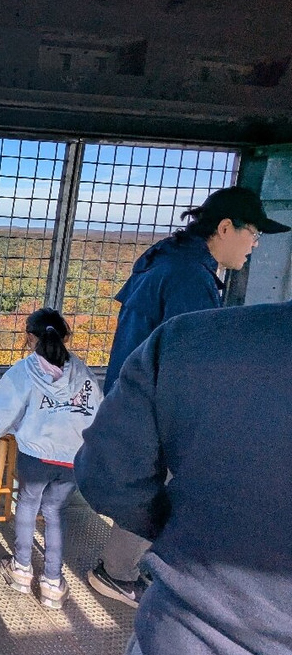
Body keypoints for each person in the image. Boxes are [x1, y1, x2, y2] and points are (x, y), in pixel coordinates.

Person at [87, 185, 290, 608]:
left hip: (133, 394)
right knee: (162, 484)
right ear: (225, 226)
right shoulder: (189, 279)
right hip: (163, 408)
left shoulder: (163, 258)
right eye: (253, 233)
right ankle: (118, 573)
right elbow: (193, 361)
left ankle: (119, 568)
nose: (255, 244)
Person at [75, 301, 292, 655]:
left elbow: (107, 475)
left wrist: (169, 529)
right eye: (253, 234)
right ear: (222, 233)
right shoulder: (192, 286)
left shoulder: (192, 337)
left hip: (183, 646)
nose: (255, 242)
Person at [0, 309, 102, 609]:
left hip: (36, 458)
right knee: (55, 512)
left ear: (28, 337)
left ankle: (20, 571)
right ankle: (53, 585)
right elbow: (100, 410)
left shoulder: (24, 371)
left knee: (29, 505)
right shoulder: (83, 372)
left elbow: (2, 416)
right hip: (74, 458)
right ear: (67, 337)